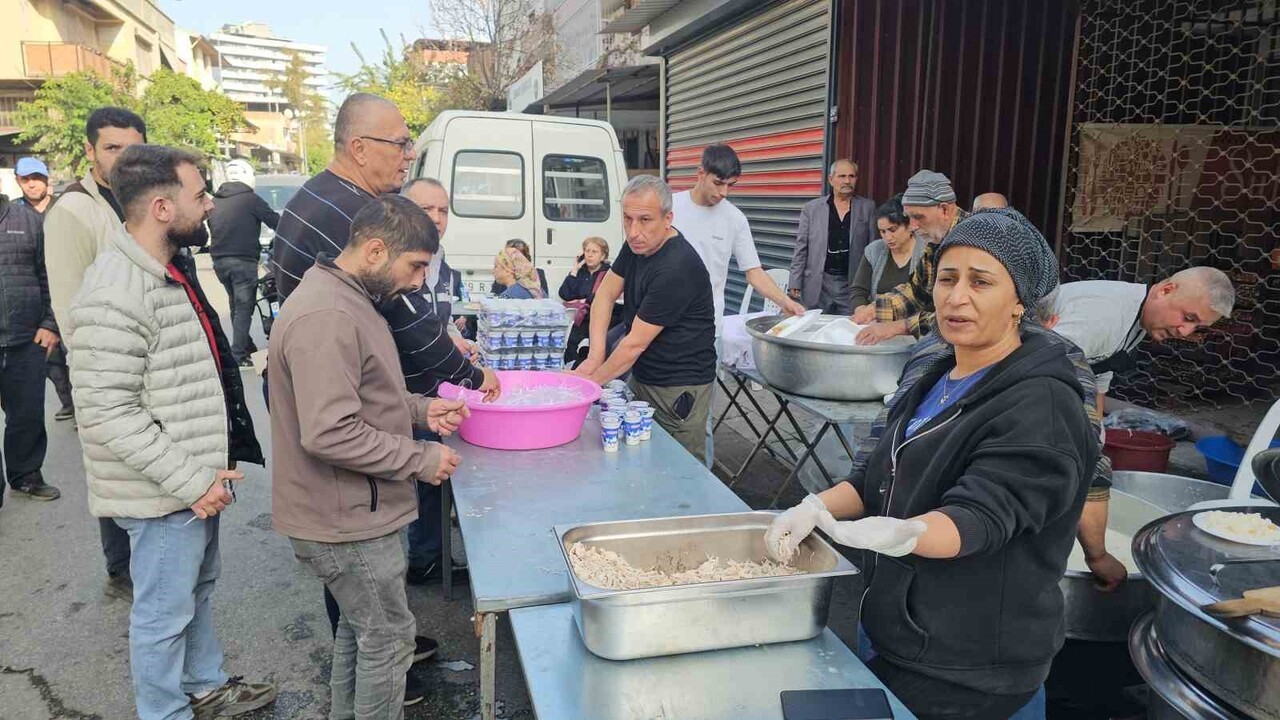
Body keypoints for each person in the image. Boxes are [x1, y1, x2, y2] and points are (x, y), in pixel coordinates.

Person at [767, 209, 1097, 720]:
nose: (956, 296)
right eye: (947, 277)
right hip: (901, 631)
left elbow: (980, 517)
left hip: (971, 667)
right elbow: (873, 476)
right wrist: (812, 507)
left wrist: (899, 534)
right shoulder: (936, 371)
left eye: (981, 281)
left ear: (1018, 303)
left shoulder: (1043, 405)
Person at [271, 93, 495, 702]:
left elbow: (367, 393)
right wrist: (421, 457)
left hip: (352, 507)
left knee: (360, 635)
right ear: (375, 250)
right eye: (417, 268)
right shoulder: (326, 316)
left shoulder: (352, 295)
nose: (421, 283)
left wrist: (422, 410)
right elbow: (331, 432)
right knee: (389, 638)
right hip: (341, 514)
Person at [69, 144, 274, 720]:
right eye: (200, 194)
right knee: (162, 615)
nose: (209, 206)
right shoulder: (116, 289)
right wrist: (190, 481)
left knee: (194, 592)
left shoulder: (167, 268)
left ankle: (204, 686)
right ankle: (165, 711)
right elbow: (109, 413)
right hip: (165, 492)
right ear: (162, 207)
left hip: (188, 485)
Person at [44, 106, 147, 601]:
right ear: (90, 151)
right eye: (112, 148)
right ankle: (121, 566)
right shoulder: (73, 211)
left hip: (149, 360)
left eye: (132, 148)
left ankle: (146, 555)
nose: (123, 158)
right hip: (103, 365)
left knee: (145, 462)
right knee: (114, 464)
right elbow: (69, 309)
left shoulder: (142, 200)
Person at [672, 143, 804, 467]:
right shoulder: (670, 207)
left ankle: (702, 493)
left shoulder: (734, 219)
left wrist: (786, 302)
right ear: (700, 173)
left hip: (707, 329)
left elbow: (753, 272)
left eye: (730, 185)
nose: (723, 192)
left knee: (700, 418)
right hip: (661, 326)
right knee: (662, 412)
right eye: (718, 183)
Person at [573, 176, 717, 461]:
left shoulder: (676, 267)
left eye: (645, 220)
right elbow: (605, 294)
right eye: (627, 219)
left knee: (679, 471)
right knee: (639, 464)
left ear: (668, 218)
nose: (634, 231)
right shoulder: (638, 244)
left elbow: (632, 346)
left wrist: (588, 387)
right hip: (643, 376)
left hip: (677, 389)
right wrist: (594, 355)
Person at [398, 177, 495, 587]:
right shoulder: (400, 264)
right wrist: (471, 375)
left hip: (435, 385)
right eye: (426, 210)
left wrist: (457, 341)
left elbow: (437, 325)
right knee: (421, 474)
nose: (436, 219)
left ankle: (430, 554)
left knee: (435, 475)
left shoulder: (443, 265)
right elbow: (414, 331)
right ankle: (424, 560)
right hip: (407, 388)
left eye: (443, 210)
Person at [1038, 268, 1236, 413]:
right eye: (1188, 318)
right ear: (1165, 290)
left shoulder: (1140, 318)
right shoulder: (1105, 315)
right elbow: (1038, 371)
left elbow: (1098, 375)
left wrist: (1095, 438)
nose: (1185, 332)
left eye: (1197, 326)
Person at [855, 169, 971, 344]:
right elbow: (916, 291)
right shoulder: (935, 243)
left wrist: (898, 327)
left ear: (945, 210)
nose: (914, 226)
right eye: (909, 218)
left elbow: (959, 316)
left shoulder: (972, 242)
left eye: (918, 217)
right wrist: (873, 310)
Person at [0, 174, 61, 504]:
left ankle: (26, 475)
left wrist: (51, 323)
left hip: (26, 339)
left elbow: (50, 273)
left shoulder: (28, 221)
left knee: (26, 416)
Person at [13, 157, 74, 422]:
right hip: (38, 296)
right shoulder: (13, 213)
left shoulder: (65, 208)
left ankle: (87, 407)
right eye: (26, 179)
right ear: (18, 181)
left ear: (47, 179)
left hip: (71, 286)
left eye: (36, 178)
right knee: (50, 357)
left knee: (79, 351)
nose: (32, 184)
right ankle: (69, 402)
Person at [788, 159, 877, 313]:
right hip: (819, 284)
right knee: (814, 330)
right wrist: (795, 281)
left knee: (848, 332)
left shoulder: (867, 207)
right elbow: (801, 248)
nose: (847, 181)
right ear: (831, 179)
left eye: (852, 176)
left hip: (851, 284)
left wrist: (871, 286)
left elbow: (874, 249)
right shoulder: (812, 209)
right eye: (842, 176)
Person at [209, 174, 280, 366]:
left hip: (219, 261)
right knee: (243, 307)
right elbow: (276, 222)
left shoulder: (216, 201)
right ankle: (238, 354)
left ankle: (246, 347)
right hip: (243, 260)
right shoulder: (250, 200)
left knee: (236, 305)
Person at [849, 195, 925, 313]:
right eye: (883, 232)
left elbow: (924, 297)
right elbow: (859, 290)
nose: (888, 237)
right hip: (877, 321)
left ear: (909, 226)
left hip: (913, 323)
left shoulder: (926, 251)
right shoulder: (874, 251)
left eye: (892, 230)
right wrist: (861, 310)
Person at [560, 237, 615, 363]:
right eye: (587, 251)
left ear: (603, 256)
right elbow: (565, 294)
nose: (589, 255)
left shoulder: (608, 273)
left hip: (599, 319)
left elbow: (601, 296)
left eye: (594, 252)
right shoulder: (581, 272)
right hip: (580, 319)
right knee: (569, 343)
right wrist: (574, 270)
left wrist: (584, 300)